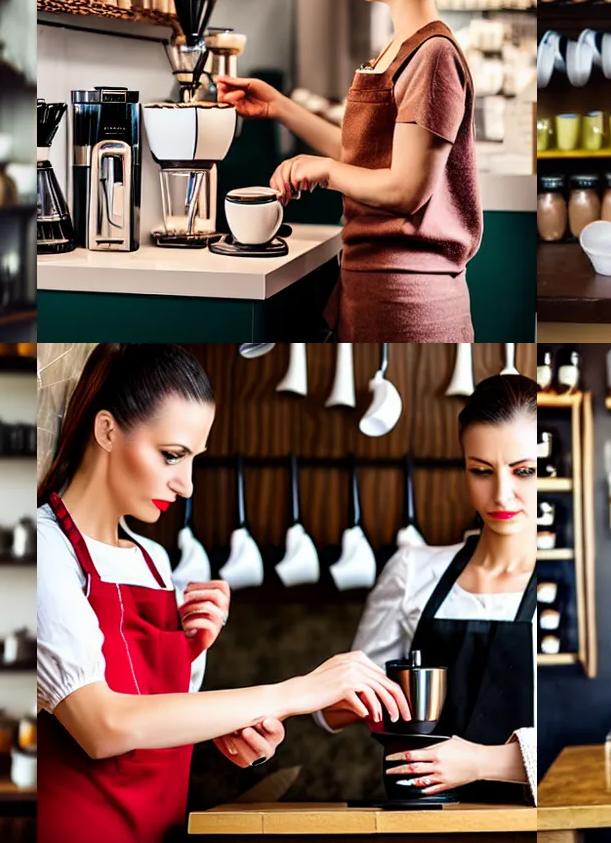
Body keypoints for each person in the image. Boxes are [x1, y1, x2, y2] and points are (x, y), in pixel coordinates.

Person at [37, 343, 409, 843]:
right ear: (107, 430)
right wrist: (293, 693)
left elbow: (157, 732)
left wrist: (229, 728)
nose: (186, 484)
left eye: (193, 460)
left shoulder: (155, 561)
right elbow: (103, 726)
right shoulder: (45, 548)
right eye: (172, 455)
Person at [218, 0, 478, 341]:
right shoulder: (398, 49)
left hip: (408, 297)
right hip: (368, 284)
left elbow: (405, 189)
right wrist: (278, 106)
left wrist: (324, 172)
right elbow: (363, 157)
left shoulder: (433, 56)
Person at [318, 373, 537, 803]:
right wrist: (347, 700)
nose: (501, 495)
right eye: (481, 471)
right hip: (420, 817)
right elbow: (333, 712)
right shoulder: (411, 572)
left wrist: (480, 761)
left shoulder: (563, 589)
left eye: (524, 471)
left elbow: (581, 738)